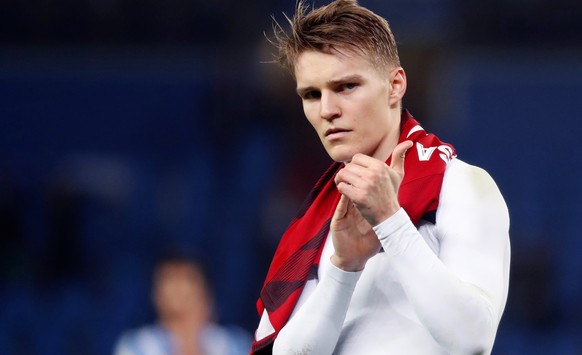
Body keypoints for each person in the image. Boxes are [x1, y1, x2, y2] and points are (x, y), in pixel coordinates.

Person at [251, 1, 511, 354]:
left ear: (395, 85)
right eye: (311, 94)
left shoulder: (461, 187)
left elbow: (472, 339)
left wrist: (391, 222)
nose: (327, 110)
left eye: (346, 86)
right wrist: (345, 268)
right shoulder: (317, 221)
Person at [114, 255, 251, 355]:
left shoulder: (236, 343)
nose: (178, 287)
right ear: (156, 294)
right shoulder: (137, 346)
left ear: (206, 291)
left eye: (187, 278)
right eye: (169, 279)